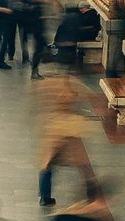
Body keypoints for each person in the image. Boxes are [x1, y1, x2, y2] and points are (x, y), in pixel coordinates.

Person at [33, 76, 93, 207]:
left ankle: (44, 196)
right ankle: (91, 190)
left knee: (47, 164)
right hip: (68, 125)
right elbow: (85, 93)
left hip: (54, 126)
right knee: (81, 161)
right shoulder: (70, 82)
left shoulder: (49, 83)